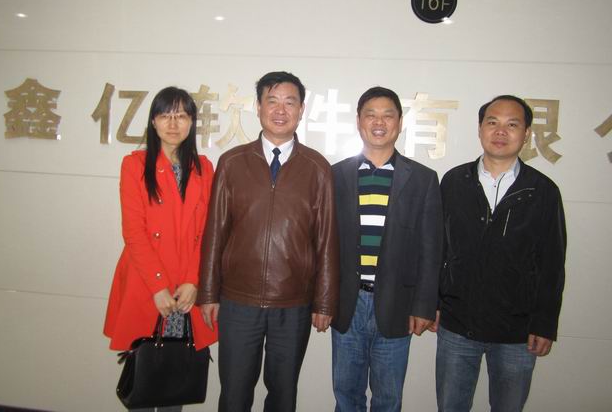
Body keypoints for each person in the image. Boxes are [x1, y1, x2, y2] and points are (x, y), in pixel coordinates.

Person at [198, 71, 339, 412]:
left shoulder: (317, 168)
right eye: (271, 101)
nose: (280, 110)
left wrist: (324, 302)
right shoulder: (232, 163)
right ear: (258, 107)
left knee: (283, 394)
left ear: (301, 110)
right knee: (234, 394)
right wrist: (208, 293)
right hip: (237, 300)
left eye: (290, 102)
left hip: (293, 303)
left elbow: (326, 240)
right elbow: (215, 232)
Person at [432, 95, 567, 412]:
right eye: (492, 122)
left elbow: (552, 263)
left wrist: (544, 323)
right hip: (457, 323)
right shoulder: (455, 181)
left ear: (527, 133)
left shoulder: (543, 191)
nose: (500, 131)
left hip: (517, 332)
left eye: (512, 124)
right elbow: (438, 249)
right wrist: (432, 302)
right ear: (480, 128)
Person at [104, 87, 217, 412]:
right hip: (147, 283)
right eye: (165, 115)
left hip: (186, 289)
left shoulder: (203, 168)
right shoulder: (135, 165)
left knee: (175, 374)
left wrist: (193, 280)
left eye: (181, 116)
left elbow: (207, 232)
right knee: (145, 373)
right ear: (153, 121)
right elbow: (134, 232)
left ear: (192, 122)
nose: (173, 123)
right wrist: (157, 286)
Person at [331, 86, 443, 412]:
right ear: (358, 121)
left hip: (398, 305)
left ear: (400, 122)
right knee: (346, 396)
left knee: (389, 399)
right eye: (371, 115)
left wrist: (424, 305)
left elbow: (431, 249)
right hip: (347, 304)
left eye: (387, 115)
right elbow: (322, 245)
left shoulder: (422, 178)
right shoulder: (335, 175)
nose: (379, 122)